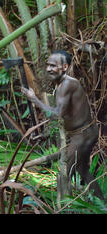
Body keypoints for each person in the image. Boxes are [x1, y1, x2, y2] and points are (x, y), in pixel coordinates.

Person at [21, 50, 104, 200]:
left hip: (83, 134)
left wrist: (34, 99)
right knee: (82, 168)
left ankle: (64, 207)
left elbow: (57, 113)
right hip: (84, 132)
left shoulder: (67, 85)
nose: (48, 69)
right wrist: (45, 134)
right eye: (47, 65)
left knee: (64, 171)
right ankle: (102, 203)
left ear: (65, 67)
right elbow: (64, 117)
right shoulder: (61, 85)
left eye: (53, 66)